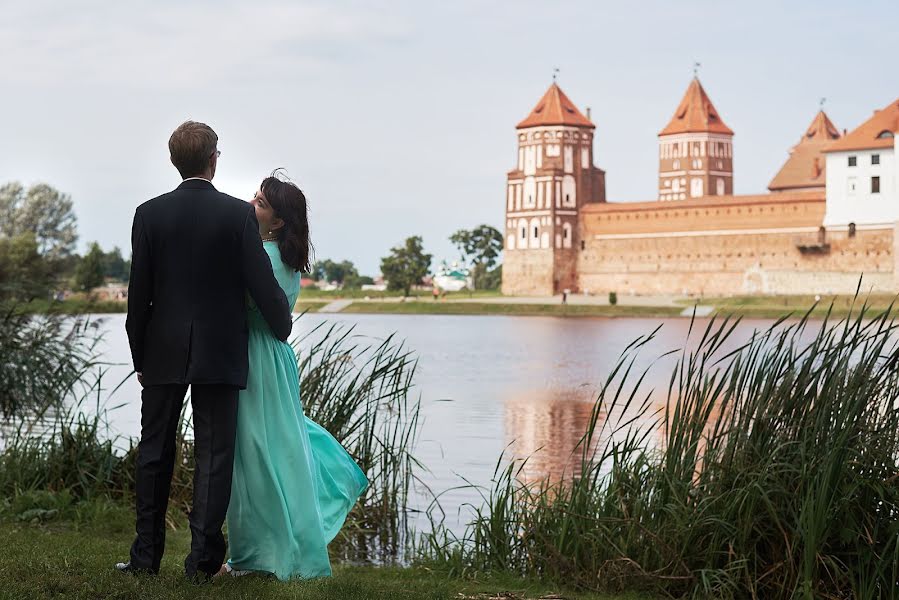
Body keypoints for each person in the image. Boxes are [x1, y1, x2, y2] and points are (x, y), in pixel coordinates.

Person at [118, 121, 293, 582]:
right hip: (220, 348)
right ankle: (201, 563)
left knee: (154, 451)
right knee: (214, 455)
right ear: (214, 158)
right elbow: (263, 283)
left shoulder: (148, 214)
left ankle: (144, 558)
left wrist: (140, 356)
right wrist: (282, 325)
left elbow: (139, 296)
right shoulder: (236, 215)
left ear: (174, 162)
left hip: (161, 349)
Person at [221, 172, 368, 580]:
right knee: (276, 443)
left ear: (278, 221)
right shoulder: (287, 261)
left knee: (253, 455)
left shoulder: (261, 258)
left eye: (260, 203)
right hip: (277, 356)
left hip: (253, 354)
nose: (251, 205)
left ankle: (253, 556)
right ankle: (271, 547)